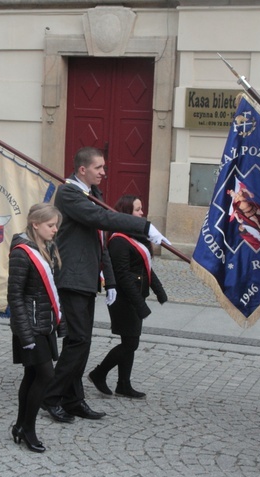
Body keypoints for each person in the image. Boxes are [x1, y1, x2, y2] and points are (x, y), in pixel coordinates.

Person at [40, 146, 169, 423]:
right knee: (78, 341)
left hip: (86, 279)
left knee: (82, 344)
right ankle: (50, 398)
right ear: (83, 169)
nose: (104, 172)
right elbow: (101, 218)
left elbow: (100, 242)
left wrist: (109, 280)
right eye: (99, 168)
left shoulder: (92, 195)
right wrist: (143, 226)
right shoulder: (68, 193)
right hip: (72, 277)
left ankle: (74, 400)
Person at [88, 195, 167, 399]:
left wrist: (159, 290)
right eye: (137, 210)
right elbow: (122, 275)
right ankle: (99, 373)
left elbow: (145, 267)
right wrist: (140, 304)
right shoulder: (119, 241)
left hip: (135, 296)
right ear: (126, 214)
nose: (142, 213)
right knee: (130, 343)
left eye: (141, 209)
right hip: (124, 299)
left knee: (130, 340)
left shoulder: (135, 237)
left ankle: (124, 384)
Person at [7, 203, 67, 453]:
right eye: (51, 225)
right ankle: (29, 429)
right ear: (36, 224)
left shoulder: (47, 248)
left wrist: (58, 323)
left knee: (32, 376)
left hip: (44, 323)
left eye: (56, 226)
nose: (55, 230)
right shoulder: (23, 253)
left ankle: (21, 426)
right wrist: (25, 334)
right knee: (45, 375)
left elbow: (50, 291)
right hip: (29, 327)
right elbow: (15, 296)